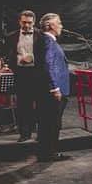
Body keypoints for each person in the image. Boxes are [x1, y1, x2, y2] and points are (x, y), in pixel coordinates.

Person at [37, 13, 71, 163]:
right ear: (51, 26)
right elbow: (48, 65)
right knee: (52, 122)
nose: (61, 26)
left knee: (48, 122)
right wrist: (54, 88)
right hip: (53, 91)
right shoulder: (48, 42)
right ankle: (49, 153)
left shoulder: (45, 41)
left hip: (50, 89)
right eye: (59, 23)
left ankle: (46, 152)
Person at [3, 10, 41, 142]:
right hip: (21, 73)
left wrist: (33, 59)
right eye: (24, 22)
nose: (26, 25)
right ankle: (24, 133)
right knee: (23, 104)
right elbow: (6, 53)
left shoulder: (40, 35)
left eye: (29, 23)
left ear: (34, 22)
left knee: (40, 103)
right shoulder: (11, 36)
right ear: (19, 21)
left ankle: (39, 132)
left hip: (37, 74)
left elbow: (45, 54)